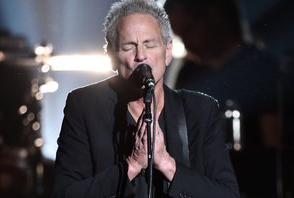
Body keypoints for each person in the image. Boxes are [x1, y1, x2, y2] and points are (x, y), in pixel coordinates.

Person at [51, 0, 239, 197]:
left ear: (167, 52)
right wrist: (131, 166)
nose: (140, 55)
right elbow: (64, 194)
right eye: (128, 46)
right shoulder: (84, 106)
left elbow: (228, 194)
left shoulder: (201, 111)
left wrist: (167, 163)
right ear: (112, 56)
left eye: (149, 44)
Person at [164, 0, 280, 197]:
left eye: (189, 30)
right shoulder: (187, 74)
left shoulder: (262, 70)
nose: (188, 42)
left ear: (213, 16)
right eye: (181, 35)